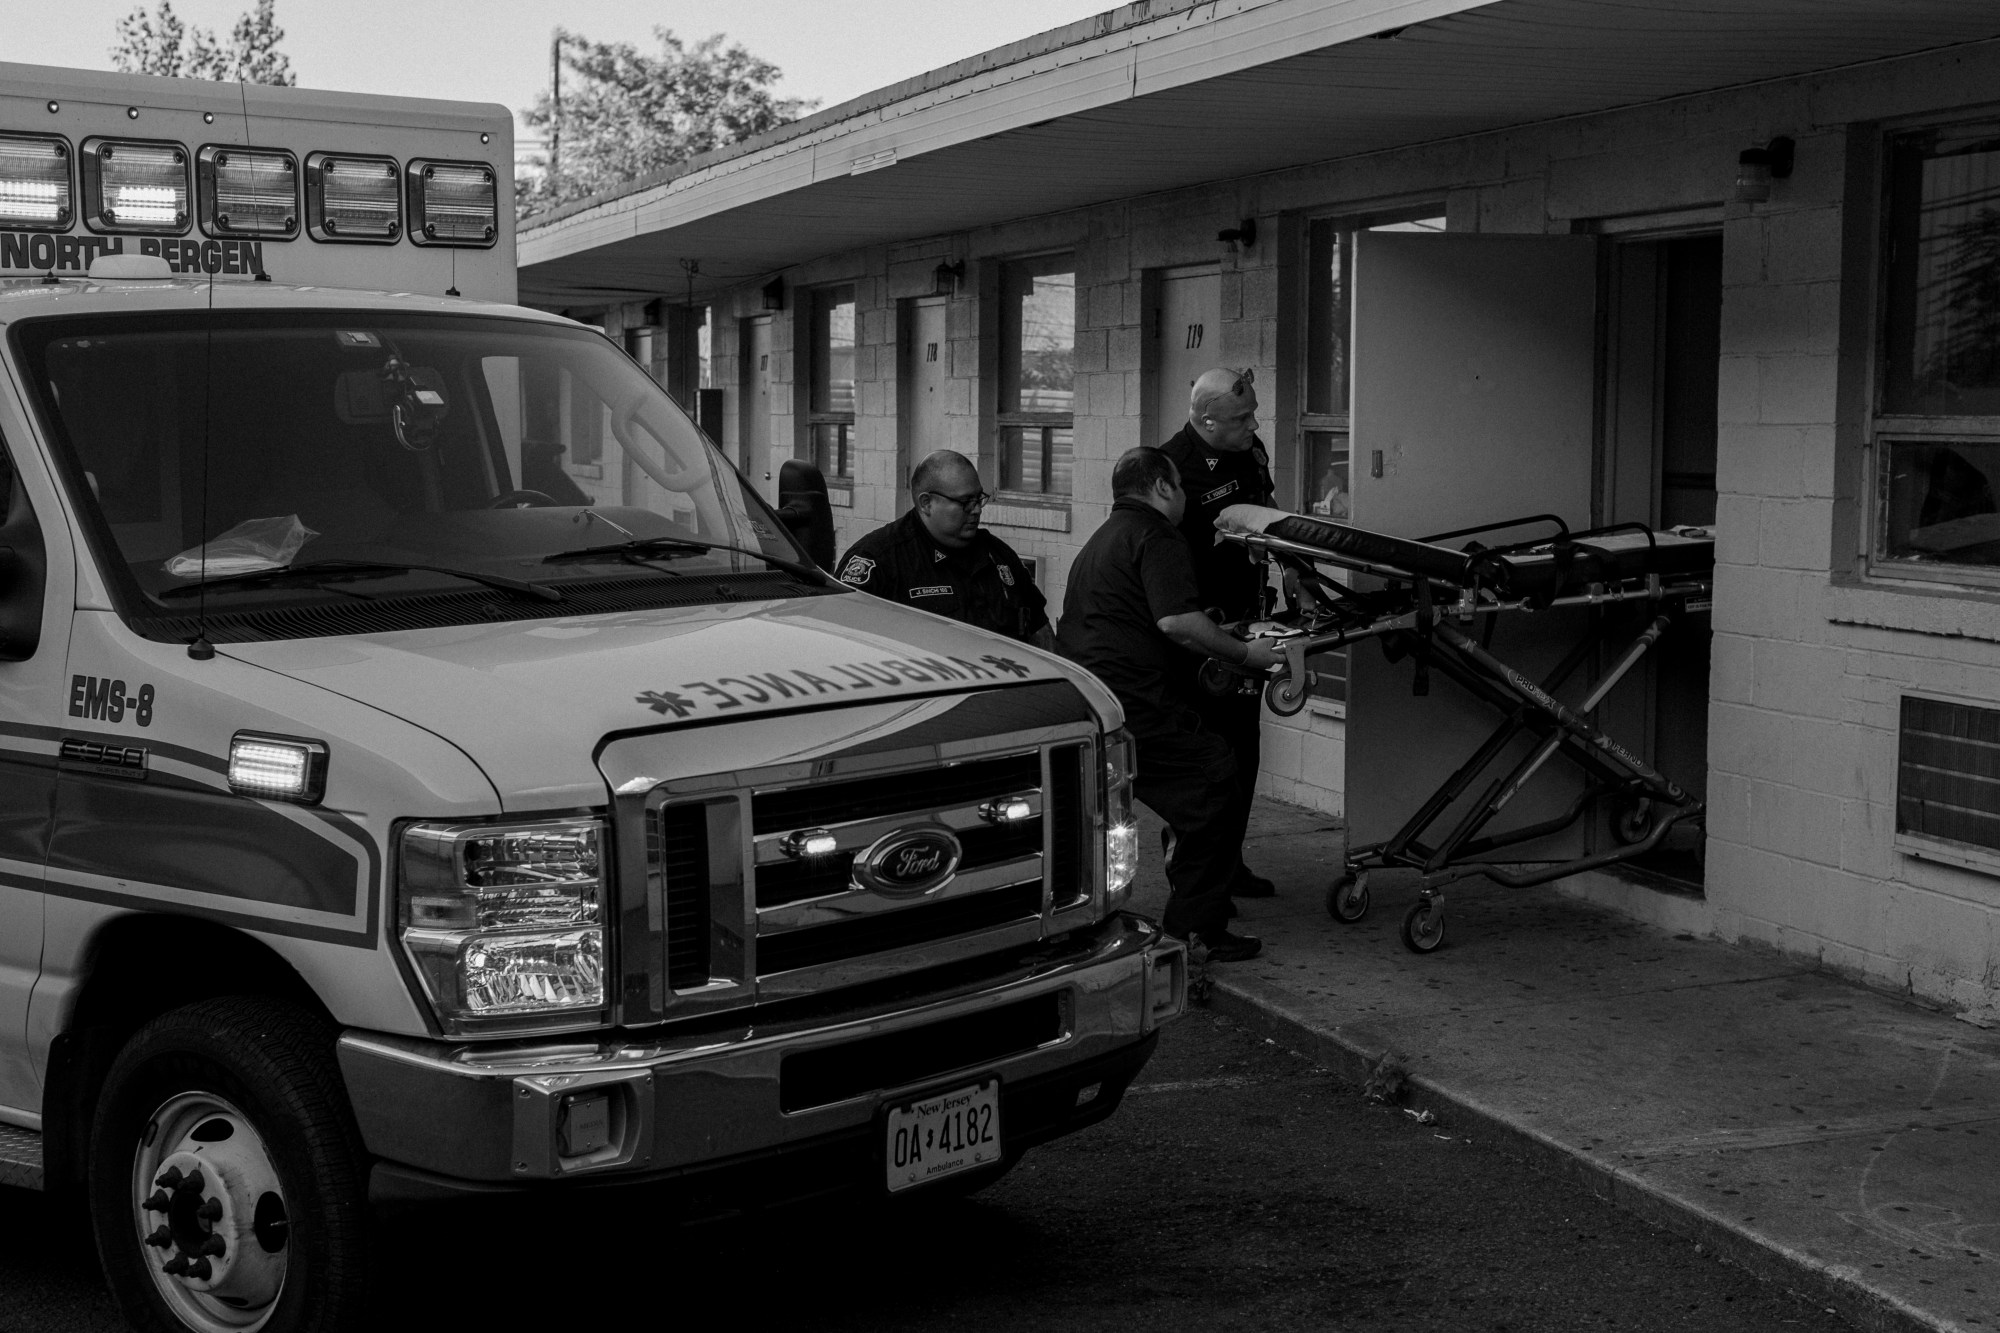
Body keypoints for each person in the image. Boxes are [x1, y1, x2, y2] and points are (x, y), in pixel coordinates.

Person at [1056, 446, 1282, 962]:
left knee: (1193, 789)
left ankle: (1191, 882)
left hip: (1096, 696)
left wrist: (1217, 632)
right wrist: (1249, 653)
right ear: (1160, 487)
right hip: (1135, 697)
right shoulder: (1158, 535)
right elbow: (1176, 622)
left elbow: (1150, 619)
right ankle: (1196, 929)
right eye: (1179, 487)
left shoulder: (1105, 537)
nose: (1184, 496)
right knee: (1214, 778)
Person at [1158, 366, 1280, 900]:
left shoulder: (1250, 453)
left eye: (1252, 413)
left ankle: (1228, 858)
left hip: (1247, 622)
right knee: (1211, 758)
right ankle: (1195, 863)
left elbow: (1268, 513)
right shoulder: (1172, 469)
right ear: (1207, 420)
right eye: (1242, 417)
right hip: (1200, 633)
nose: (1254, 425)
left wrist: (1293, 562)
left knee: (1244, 750)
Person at [836, 450, 1053, 647]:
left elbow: (1040, 632)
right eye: (965, 501)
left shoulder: (999, 556)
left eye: (978, 498)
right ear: (926, 503)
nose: (976, 509)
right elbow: (841, 643)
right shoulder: (879, 561)